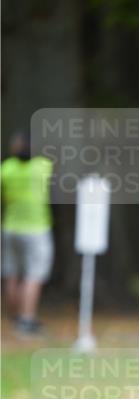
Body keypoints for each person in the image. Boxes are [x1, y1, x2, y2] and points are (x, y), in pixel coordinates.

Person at [1, 131, 54, 337]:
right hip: (37, 229)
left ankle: (14, 316)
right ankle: (26, 319)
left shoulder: (6, 169)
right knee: (34, 275)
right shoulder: (42, 166)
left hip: (10, 227)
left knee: (12, 274)